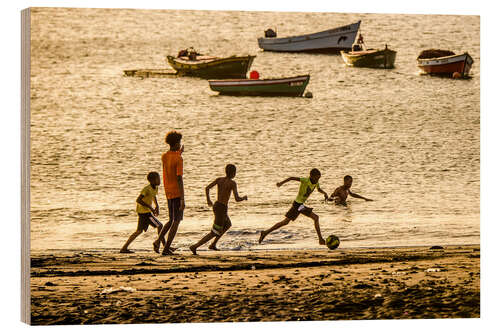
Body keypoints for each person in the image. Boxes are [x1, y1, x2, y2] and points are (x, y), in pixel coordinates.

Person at [258, 168, 328, 245]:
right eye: (316, 178)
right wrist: (281, 183)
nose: (317, 180)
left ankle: (265, 232)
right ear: (311, 176)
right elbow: (291, 178)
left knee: (285, 222)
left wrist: (324, 193)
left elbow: (318, 189)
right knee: (316, 218)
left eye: (319, 178)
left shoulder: (316, 182)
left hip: (300, 205)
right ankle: (320, 240)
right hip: (298, 205)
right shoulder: (305, 180)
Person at [190, 164, 247, 255]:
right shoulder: (232, 183)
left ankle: (213, 244)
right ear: (233, 173)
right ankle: (195, 246)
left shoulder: (219, 180)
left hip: (216, 205)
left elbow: (207, 188)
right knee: (214, 232)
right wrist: (243, 198)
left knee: (228, 224)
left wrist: (208, 200)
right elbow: (237, 199)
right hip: (222, 208)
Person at [153, 131, 185, 256]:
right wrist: (182, 199)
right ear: (177, 143)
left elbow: (172, 159)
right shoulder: (179, 158)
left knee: (171, 219)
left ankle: (157, 242)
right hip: (177, 192)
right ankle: (166, 248)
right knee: (176, 221)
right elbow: (179, 179)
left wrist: (179, 152)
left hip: (168, 192)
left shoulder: (164, 156)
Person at [120, 172, 165, 253]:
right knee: (160, 226)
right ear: (151, 180)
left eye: (159, 178)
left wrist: (157, 206)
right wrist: (150, 207)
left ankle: (124, 248)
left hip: (145, 212)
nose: (159, 180)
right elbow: (138, 200)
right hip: (145, 213)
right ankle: (164, 246)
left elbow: (154, 196)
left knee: (139, 231)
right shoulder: (146, 189)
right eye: (157, 179)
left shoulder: (155, 188)